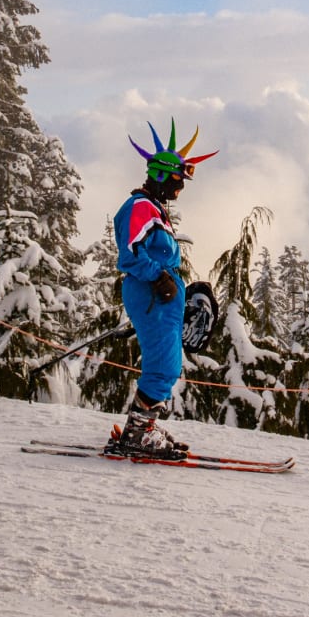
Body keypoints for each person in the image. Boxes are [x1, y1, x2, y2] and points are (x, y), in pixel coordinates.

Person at [107, 118, 217, 460]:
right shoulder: (140, 208)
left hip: (161, 297)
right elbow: (129, 255)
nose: (179, 189)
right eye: (176, 181)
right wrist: (158, 278)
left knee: (166, 362)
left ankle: (143, 428)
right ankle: (137, 435)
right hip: (151, 295)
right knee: (163, 364)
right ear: (158, 175)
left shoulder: (153, 209)